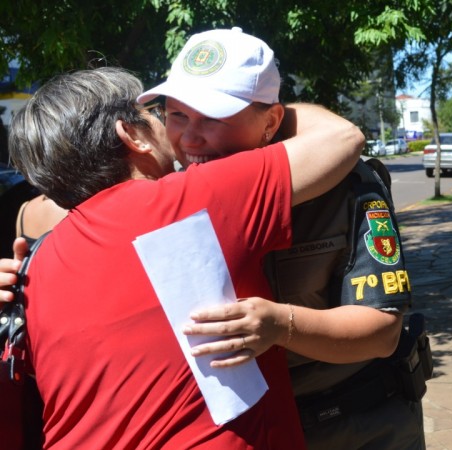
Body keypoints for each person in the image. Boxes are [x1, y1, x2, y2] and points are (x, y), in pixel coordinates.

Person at [6, 64, 364, 448]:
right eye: (154, 113)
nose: (167, 124)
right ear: (132, 135)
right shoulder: (188, 199)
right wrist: (267, 113)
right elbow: (341, 137)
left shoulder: (33, 266)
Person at [136, 27, 425, 449]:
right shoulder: (168, 196)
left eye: (213, 118)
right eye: (177, 116)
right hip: (246, 430)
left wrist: (279, 325)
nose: (190, 138)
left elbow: (382, 332)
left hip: (357, 424)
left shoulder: (345, 186)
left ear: (270, 122)